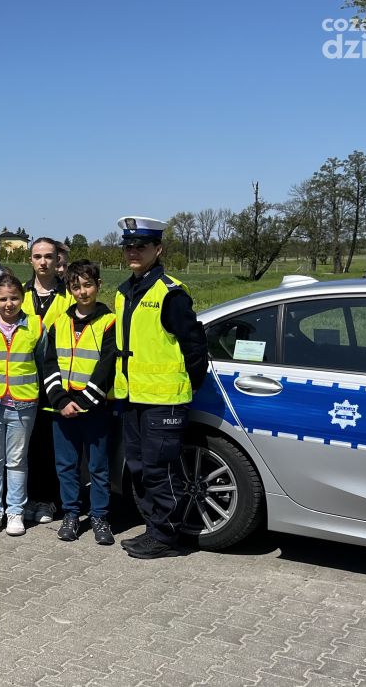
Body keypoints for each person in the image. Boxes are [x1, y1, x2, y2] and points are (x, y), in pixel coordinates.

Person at [113, 217, 208, 560]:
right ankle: (153, 528)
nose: (134, 252)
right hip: (132, 398)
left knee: (161, 470)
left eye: (141, 246)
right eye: (129, 246)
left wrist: (187, 383)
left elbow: (195, 348)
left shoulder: (171, 293)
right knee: (138, 467)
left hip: (164, 400)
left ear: (158, 249)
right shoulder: (125, 292)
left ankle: (166, 536)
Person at [42, 260, 117, 545]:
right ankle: (71, 514)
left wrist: (85, 401)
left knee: (98, 466)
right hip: (62, 407)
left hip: (95, 407)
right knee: (66, 465)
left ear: (98, 285)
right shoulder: (59, 322)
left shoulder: (109, 322)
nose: (83, 291)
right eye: (76, 286)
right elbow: (49, 363)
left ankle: (99, 515)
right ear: (70, 289)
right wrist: (60, 400)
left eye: (88, 285)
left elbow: (107, 365)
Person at [0, 274, 43, 537]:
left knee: (16, 461)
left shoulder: (35, 326)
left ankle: (15, 512)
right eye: (2, 298)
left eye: (14, 298)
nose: (8, 304)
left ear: (23, 299)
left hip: (23, 403)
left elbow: (43, 361)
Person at [22, 237, 72, 526]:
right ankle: (27, 497)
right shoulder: (20, 294)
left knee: (52, 446)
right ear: (30, 260)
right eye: (37, 256)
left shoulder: (69, 297)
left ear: (57, 261)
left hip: (58, 383)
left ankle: (49, 500)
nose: (43, 262)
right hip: (22, 382)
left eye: (48, 257)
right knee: (26, 446)